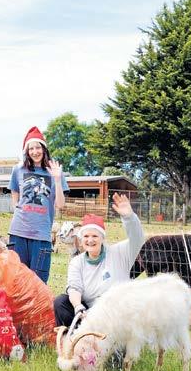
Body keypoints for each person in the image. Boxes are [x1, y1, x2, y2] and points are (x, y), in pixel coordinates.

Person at [53, 193, 146, 327]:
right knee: (60, 302)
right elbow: (74, 288)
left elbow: (137, 239)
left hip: (117, 314)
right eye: (86, 236)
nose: (90, 240)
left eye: (95, 236)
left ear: (102, 238)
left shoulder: (120, 253)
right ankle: (76, 336)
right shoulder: (77, 262)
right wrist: (78, 306)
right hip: (90, 313)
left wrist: (129, 218)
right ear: (81, 239)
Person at [8, 126, 69, 283]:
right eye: (31, 148)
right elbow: (15, 194)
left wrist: (57, 180)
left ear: (44, 149)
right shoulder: (18, 169)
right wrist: (19, 211)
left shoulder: (54, 171)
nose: (35, 152)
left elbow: (60, 205)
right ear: (26, 151)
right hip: (19, 232)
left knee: (38, 281)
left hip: (41, 233)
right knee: (16, 279)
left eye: (38, 147)